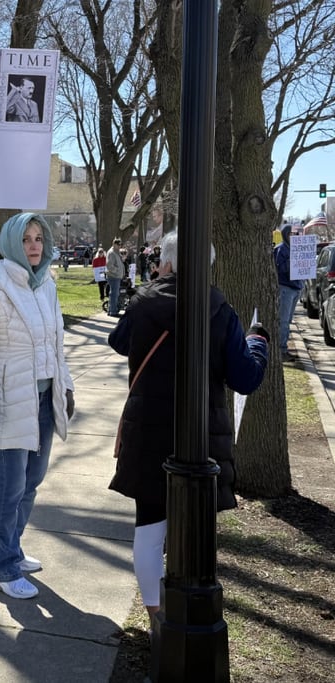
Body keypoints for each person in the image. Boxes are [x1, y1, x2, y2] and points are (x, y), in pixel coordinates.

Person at [108, 230, 269, 623]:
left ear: (165, 262)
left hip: (148, 431)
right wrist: (258, 343)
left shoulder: (143, 303)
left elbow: (118, 341)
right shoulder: (218, 309)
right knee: (193, 530)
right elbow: (245, 378)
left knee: (148, 527)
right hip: (199, 437)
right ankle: (188, 611)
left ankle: (155, 617)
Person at [0, 213, 75, 600]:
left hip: (45, 399)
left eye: (39, 238)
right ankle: (1, 568)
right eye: (27, 239)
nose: (34, 245)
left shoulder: (47, 285)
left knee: (32, 481)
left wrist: (64, 387)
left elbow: (56, 346)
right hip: (10, 399)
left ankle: (7, 551)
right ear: (12, 243)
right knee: (9, 485)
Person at [274, 223, 304, 362]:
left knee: (288, 320)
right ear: (286, 235)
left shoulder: (296, 249)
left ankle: (283, 347)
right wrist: (294, 260)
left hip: (296, 288)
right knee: (284, 320)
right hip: (285, 288)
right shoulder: (281, 249)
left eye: (294, 235)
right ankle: (281, 350)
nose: (293, 237)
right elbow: (279, 268)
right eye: (291, 234)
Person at [106, 237, 125, 316]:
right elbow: (109, 265)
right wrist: (117, 271)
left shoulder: (116, 252)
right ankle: (113, 311)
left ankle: (111, 310)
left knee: (114, 294)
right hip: (113, 276)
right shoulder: (111, 253)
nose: (120, 246)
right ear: (114, 244)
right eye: (118, 244)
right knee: (114, 294)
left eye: (120, 244)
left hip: (117, 276)